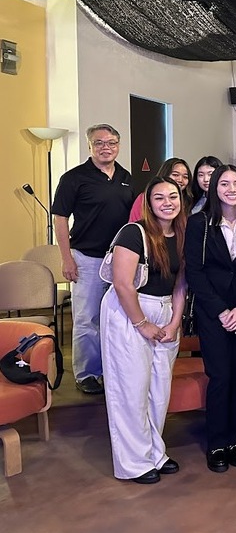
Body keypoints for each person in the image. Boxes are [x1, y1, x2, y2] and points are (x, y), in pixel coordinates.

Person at [99, 176, 186, 483]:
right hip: (130, 311)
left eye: (173, 196)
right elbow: (122, 284)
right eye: (159, 197)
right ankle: (134, 463)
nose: (167, 203)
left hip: (164, 310)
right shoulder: (133, 233)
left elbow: (180, 283)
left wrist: (174, 322)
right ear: (148, 203)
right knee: (131, 390)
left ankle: (154, 453)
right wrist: (142, 323)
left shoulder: (181, 234)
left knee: (159, 390)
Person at [185, 165, 236, 473]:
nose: (231, 188)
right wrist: (220, 310)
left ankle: (233, 440)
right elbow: (195, 272)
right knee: (220, 377)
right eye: (224, 183)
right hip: (212, 313)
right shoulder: (199, 223)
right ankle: (216, 442)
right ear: (213, 187)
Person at [52, 123, 135, 394]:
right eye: (99, 143)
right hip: (86, 258)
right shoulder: (73, 178)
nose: (105, 147)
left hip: (119, 259)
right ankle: (86, 372)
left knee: (116, 318)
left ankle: (111, 370)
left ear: (118, 145)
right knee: (88, 319)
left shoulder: (126, 177)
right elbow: (60, 219)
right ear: (90, 146)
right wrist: (67, 259)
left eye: (111, 142)